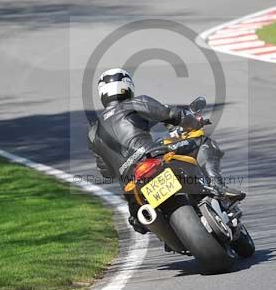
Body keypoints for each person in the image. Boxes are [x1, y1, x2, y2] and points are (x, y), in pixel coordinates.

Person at [87, 68, 244, 234]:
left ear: (102, 94)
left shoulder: (92, 133)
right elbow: (171, 114)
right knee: (204, 142)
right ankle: (218, 187)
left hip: (131, 182)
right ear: (127, 87)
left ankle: (159, 225)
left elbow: (106, 171)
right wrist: (195, 123)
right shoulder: (134, 103)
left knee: (138, 220)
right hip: (153, 156)